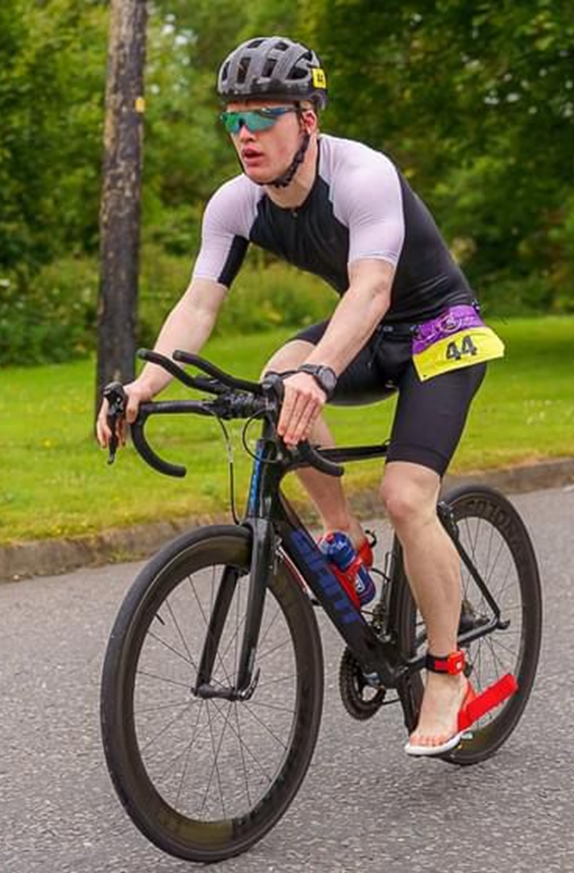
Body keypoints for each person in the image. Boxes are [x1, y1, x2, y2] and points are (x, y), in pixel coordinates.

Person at [95, 36, 504, 757]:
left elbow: (373, 287)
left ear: (308, 118)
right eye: (233, 120)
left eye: (263, 117)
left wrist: (319, 372)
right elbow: (197, 305)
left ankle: (447, 670)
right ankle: (344, 538)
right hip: (367, 332)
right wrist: (142, 384)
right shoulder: (235, 204)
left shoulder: (363, 176)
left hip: (437, 330)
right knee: (276, 380)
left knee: (409, 494)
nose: (245, 136)